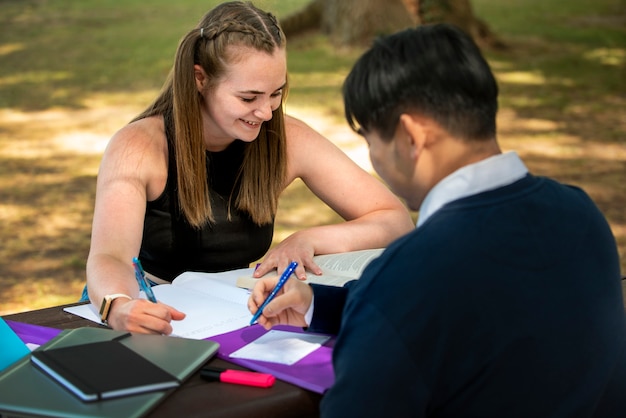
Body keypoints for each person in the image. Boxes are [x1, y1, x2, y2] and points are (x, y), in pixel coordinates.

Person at [248, 23, 626, 417]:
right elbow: (479, 311)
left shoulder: (414, 273)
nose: (373, 159)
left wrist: (376, 303)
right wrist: (315, 304)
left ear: (411, 136)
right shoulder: (582, 214)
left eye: (369, 138)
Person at [85, 1, 413, 334]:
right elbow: (109, 256)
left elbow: (393, 219)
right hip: (143, 306)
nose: (267, 113)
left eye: (276, 93)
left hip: (234, 312)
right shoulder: (140, 146)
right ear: (200, 79)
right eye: (248, 98)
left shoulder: (285, 137)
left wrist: (308, 239)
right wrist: (119, 305)